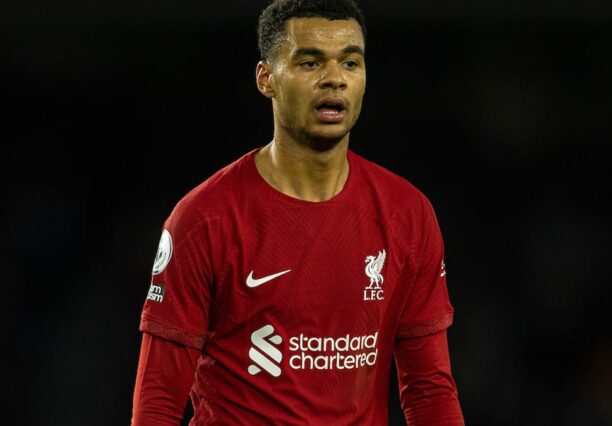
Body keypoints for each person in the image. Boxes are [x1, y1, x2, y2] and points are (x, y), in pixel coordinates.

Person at [130, 0, 464, 424]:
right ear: (266, 78)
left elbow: (429, 390)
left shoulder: (407, 214)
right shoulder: (204, 218)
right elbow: (158, 398)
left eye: (350, 63)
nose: (334, 80)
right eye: (309, 63)